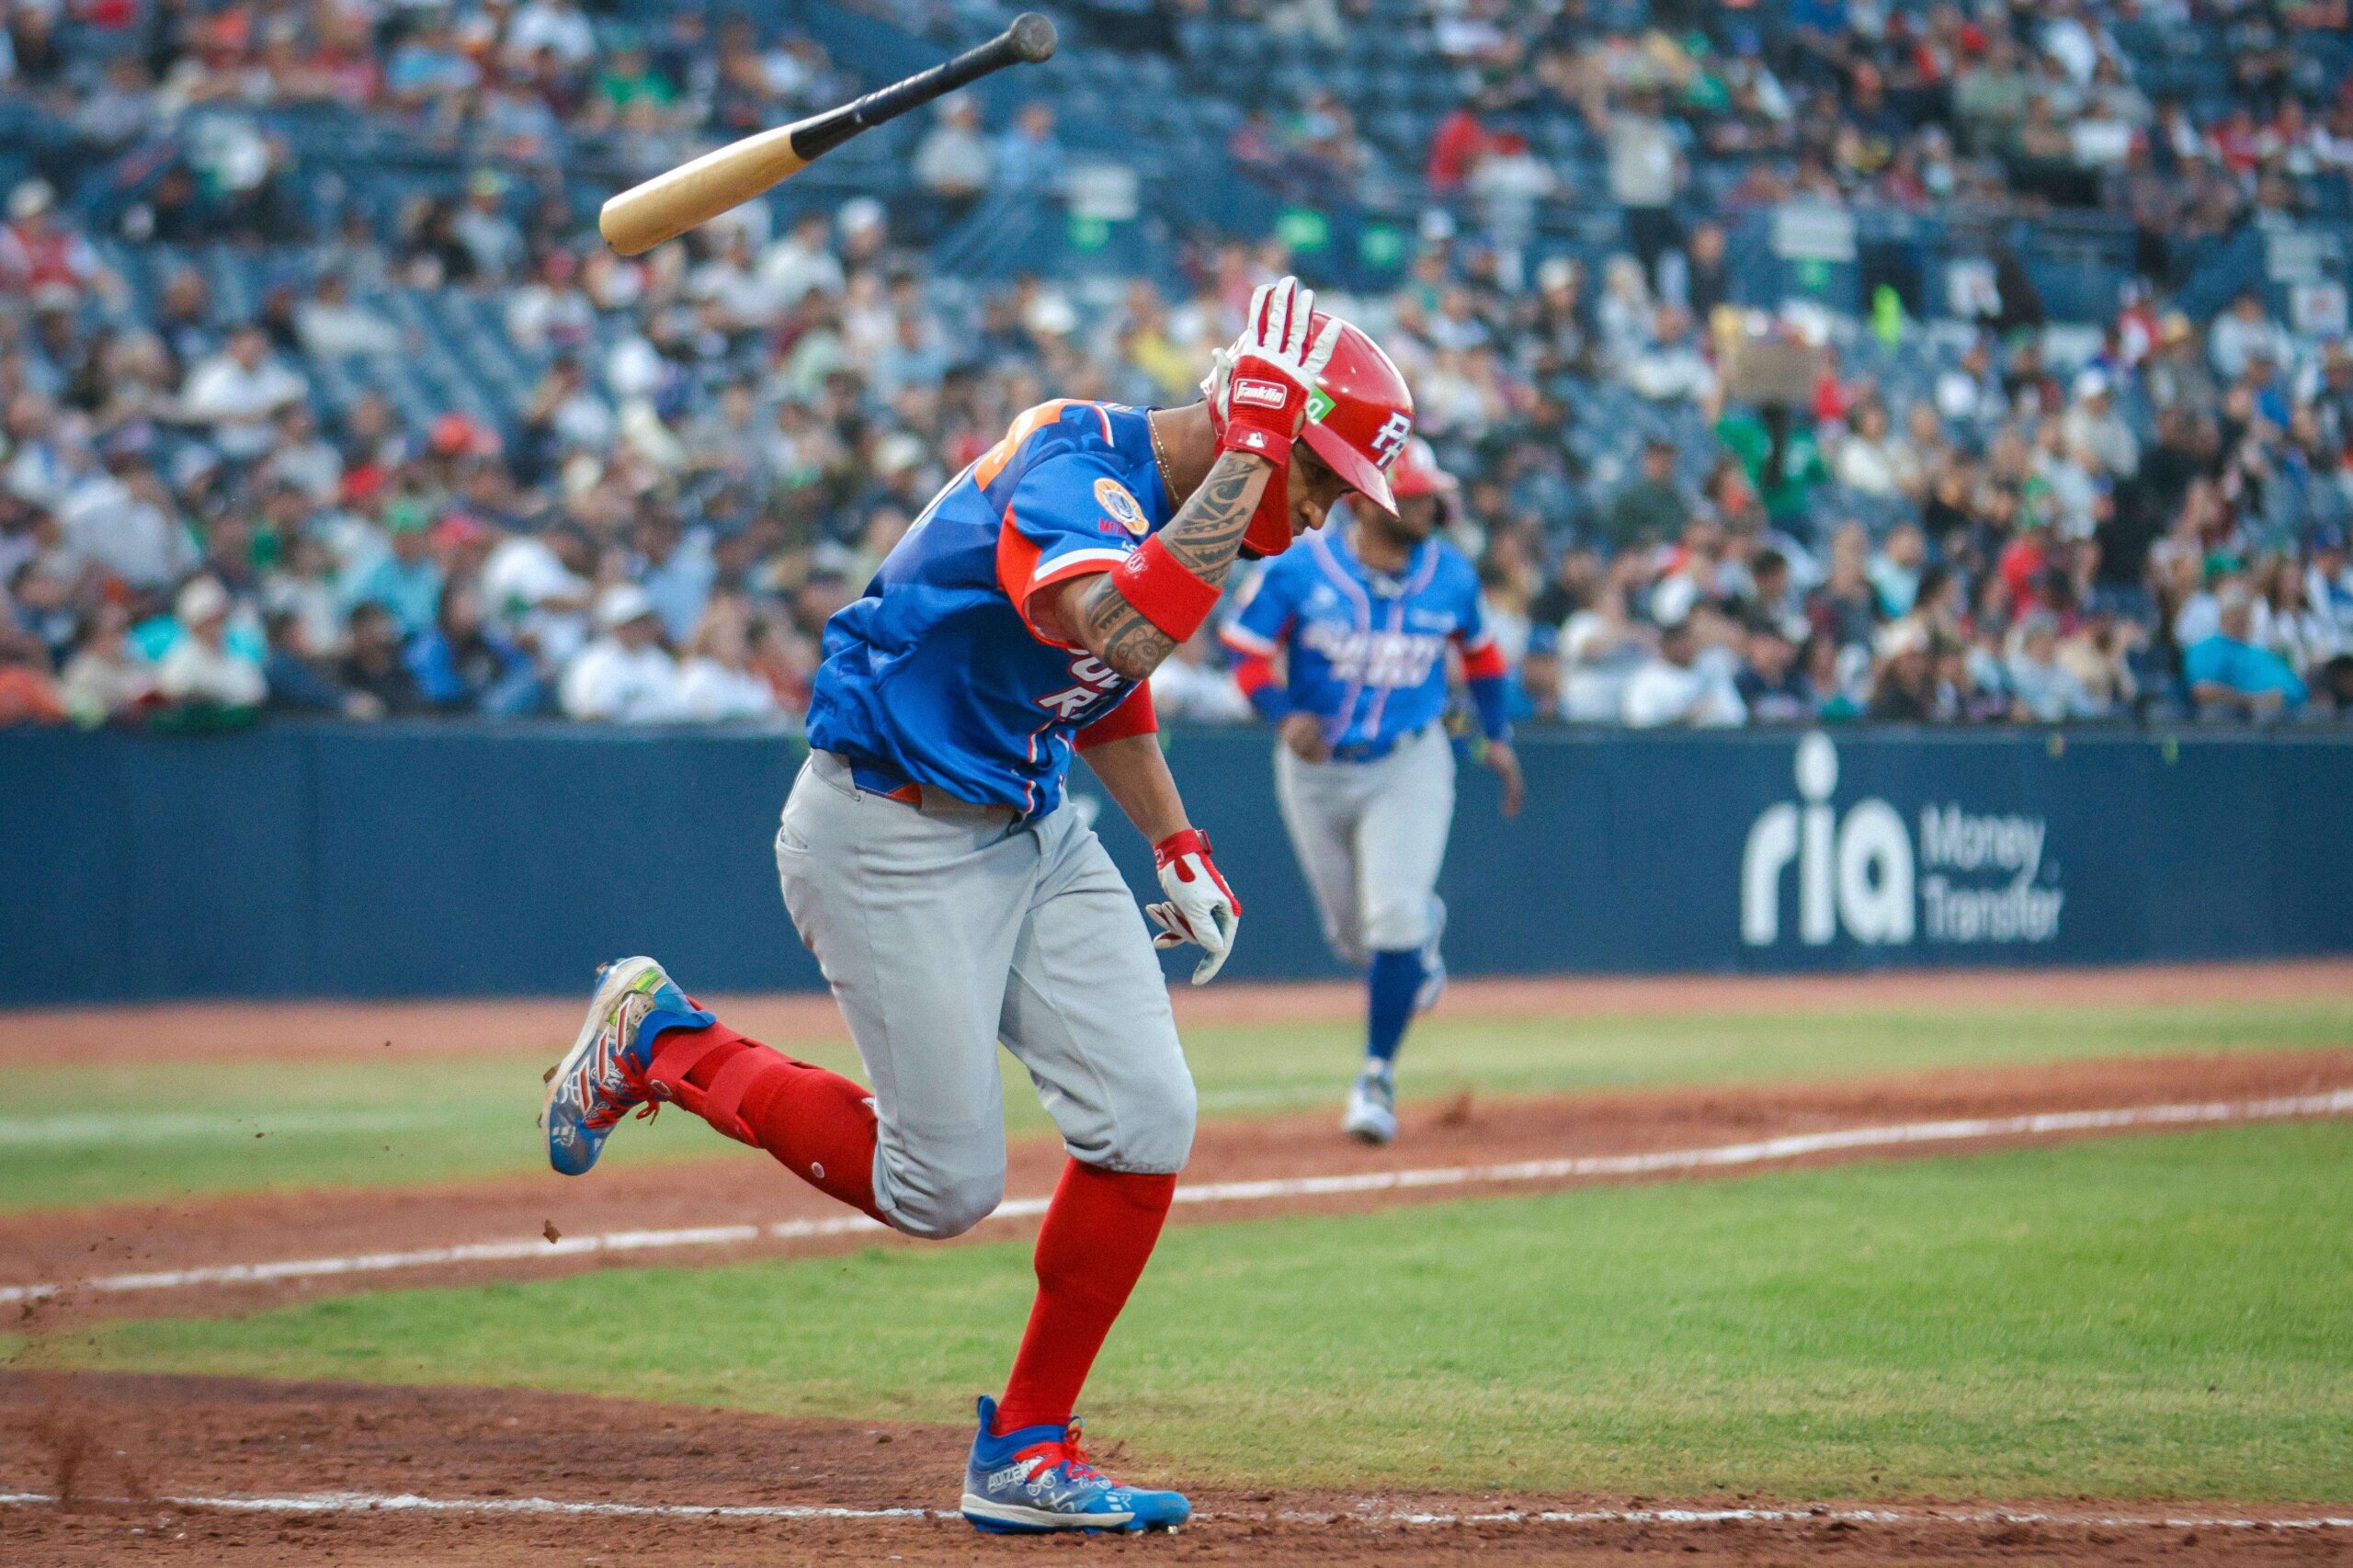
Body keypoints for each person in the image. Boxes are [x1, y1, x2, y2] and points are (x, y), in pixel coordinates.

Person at [540, 278, 1413, 1534]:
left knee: (1147, 1115)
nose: (1324, 510)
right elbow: (1123, 629)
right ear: (1258, 423)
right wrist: (1256, 449)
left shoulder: (1175, 501)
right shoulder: (1075, 465)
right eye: (1320, 476)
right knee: (938, 1188)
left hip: (1026, 818)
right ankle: (661, 1037)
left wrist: (1174, 839)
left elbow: (1097, 677)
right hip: (885, 828)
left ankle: (1027, 1448)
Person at [1220, 438, 1521, 1145]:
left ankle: (1376, 1076)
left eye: (1429, 495)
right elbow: (1245, 650)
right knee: (1355, 936)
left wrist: (1497, 737)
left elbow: (1482, 658)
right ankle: (1418, 940)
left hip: (1408, 760)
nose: (1427, 507)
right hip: (1316, 769)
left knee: (1391, 921)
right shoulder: (1300, 568)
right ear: (1363, 501)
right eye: (1410, 495)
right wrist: (1280, 712)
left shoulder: (1451, 575)